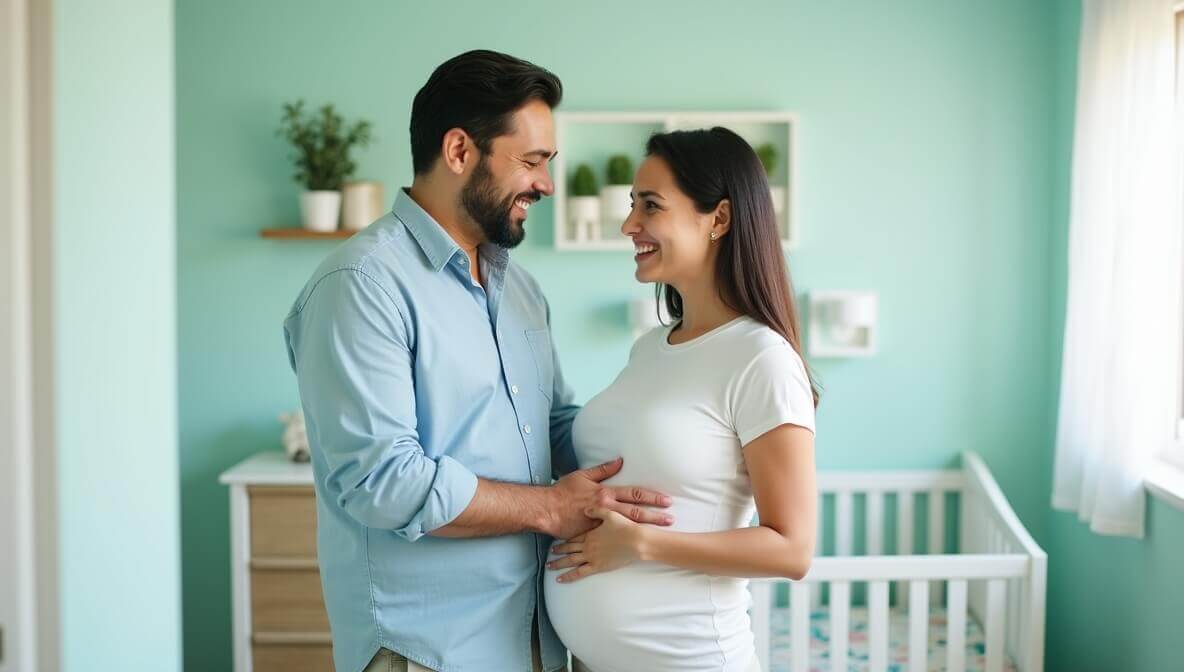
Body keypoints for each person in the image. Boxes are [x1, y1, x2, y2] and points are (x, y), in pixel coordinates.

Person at [282, 50, 673, 672]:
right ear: (460, 151)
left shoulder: (519, 289)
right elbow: (382, 482)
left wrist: (681, 422)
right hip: (427, 650)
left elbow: (554, 429)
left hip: (535, 639)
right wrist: (551, 508)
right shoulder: (362, 283)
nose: (546, 184)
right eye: (531, 161)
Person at [544, 127, 820, 672]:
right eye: (631, 205)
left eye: (650, 206)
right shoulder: (651, 347)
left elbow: (792, 549)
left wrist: (643, 545)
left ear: (718, 218)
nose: (629, 225)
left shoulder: (761, 359)